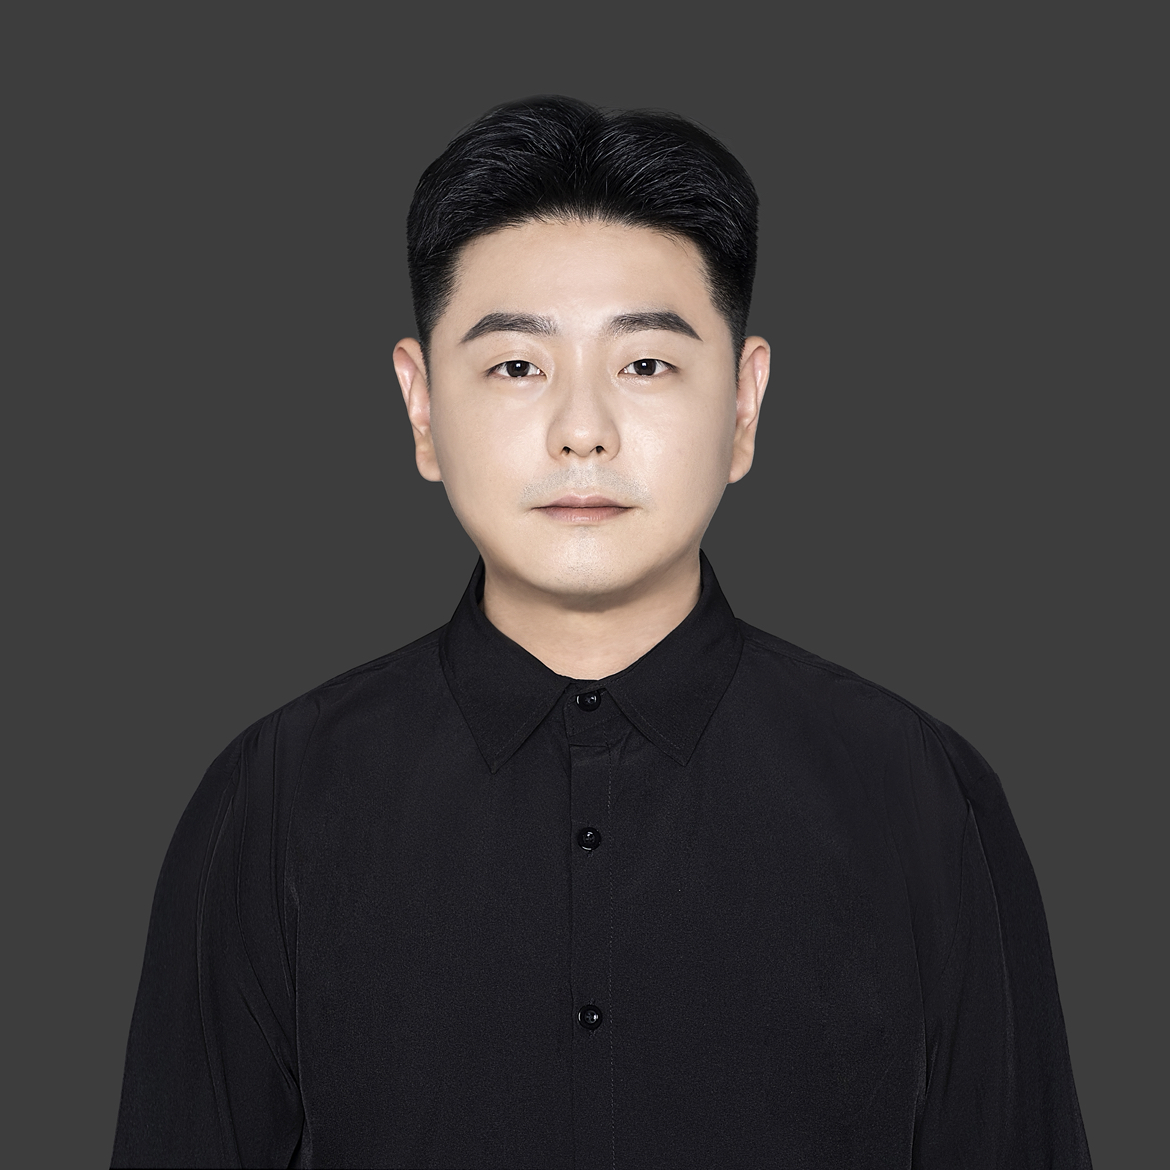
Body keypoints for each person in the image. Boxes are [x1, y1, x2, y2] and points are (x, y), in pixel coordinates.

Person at [111, 95, 1091, 1169]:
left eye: (646, 365)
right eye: (517, 366)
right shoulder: (274, 801)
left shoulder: (920, 794)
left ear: (745, 404)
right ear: (421, 406)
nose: (583, 431)